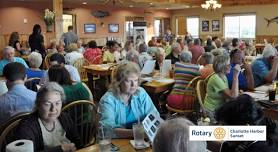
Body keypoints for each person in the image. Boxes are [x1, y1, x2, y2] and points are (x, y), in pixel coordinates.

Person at [15, 82, 82, 152]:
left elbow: (78, 142)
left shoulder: (64, 117)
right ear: (38, 104)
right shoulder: (27, 126)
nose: (53, 109)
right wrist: (61, 149)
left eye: (57, 103)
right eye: (47, 104)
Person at [99, 61, 159, 138]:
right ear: (118, 82)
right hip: (118, 142)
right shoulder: (108, 100)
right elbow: (106, 130)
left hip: (141, 140)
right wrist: (137, 133)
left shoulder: (141, 93)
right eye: (128, 81)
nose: (133, 85)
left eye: (136, 80)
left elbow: (154, 115)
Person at [204, 55, 240, 120]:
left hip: (220, 108)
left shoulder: (223, 77)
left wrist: (238, 93)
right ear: (221, 67)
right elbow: (233, 96)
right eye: (228, 65)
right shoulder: (215, 78)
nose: (230, 66)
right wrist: (235, 75)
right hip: (212, 111)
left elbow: (229, 96)